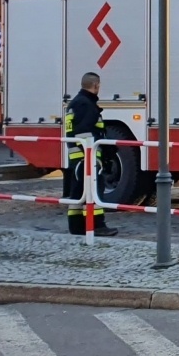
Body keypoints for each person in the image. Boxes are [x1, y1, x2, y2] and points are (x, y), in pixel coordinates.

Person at [64, 72, 116, 237]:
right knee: (94, 190)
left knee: (78, 192)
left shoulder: (76, 103)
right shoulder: (86, 104)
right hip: (86, 157)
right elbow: (84, 132)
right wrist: (92, 154)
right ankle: (97, 225)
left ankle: (76, 226)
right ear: (96, 85)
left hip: (78, 156)